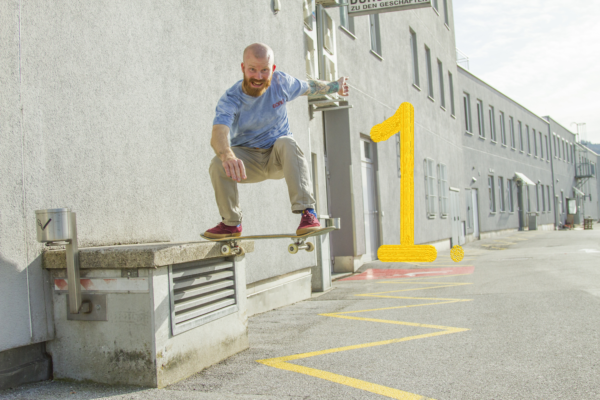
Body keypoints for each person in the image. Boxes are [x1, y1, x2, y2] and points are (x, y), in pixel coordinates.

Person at [203, 43, 349, 239]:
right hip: (248, 162)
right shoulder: (231, 98)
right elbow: (219, 132)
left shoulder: (281, 83)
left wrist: (335, 86)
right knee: (217, 163)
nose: (258, 77)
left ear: (272, 69)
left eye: (264, 70)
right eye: (252, 70)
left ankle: (308, 214)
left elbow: (310, 87)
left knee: (286, 142)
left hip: (278, 158)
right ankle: (231, 224)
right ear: (243, 68)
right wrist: (227, 154)